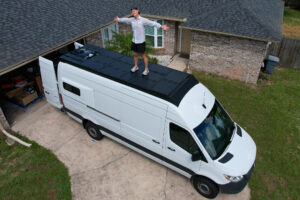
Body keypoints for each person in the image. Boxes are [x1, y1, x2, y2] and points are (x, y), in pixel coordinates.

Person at [114, 8, 169, 76]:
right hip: (134, 41)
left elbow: (152, 23)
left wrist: (161, 26)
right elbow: (125, 20)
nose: (133, 12)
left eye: (134, 11)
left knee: (143, 56)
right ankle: (136, 66)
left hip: (141, 41)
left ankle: (146, 69)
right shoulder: (132, 20)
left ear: (138, 11)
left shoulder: (143, 20)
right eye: (132, 11)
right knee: (135, 54)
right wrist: (118, 19)